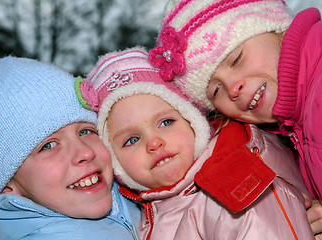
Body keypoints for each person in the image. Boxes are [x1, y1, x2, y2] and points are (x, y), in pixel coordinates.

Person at [76, 46, 315, 239]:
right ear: (115, 161)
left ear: (194, 123)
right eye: (132, 140)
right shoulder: (152, 209)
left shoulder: (235, 187)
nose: (154, 143)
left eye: (166, 122)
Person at [149, 0, 322, 224]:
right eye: (216, 90)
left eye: (237, 59)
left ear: (275, 27)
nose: (232, 89)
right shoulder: (293, 129)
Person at [0, 56, 140, 240]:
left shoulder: (136, 191)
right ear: (8, 187)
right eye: (48, 146)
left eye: (85, 131)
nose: (85, 152)